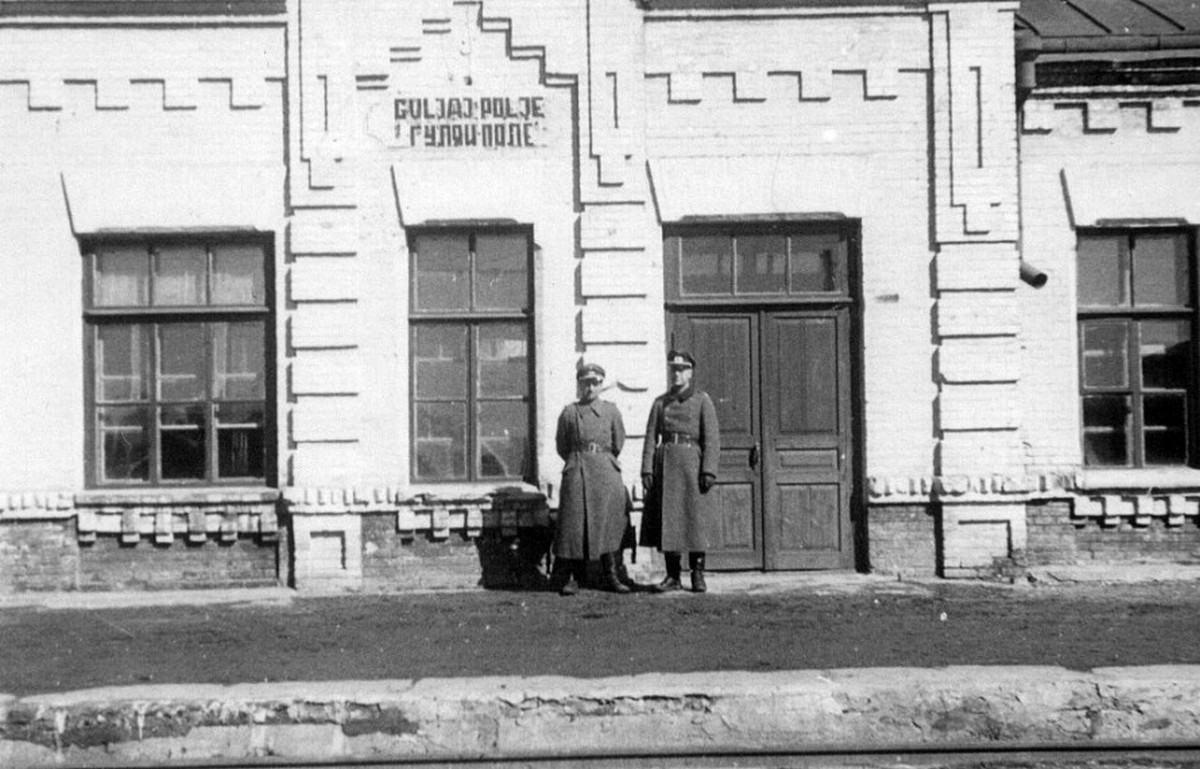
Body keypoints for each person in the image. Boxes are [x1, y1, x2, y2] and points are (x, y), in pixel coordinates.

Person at [640, 350, 720, 593]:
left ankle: (697, 574)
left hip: (692, 466)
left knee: (695, 520)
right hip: (666, 466)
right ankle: (673, 575)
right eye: (673, 369)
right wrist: (646, 469)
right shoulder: (660, 403)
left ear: (690, 372)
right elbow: (650, 437)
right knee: (668, 521)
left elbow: (712, 438)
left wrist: (708, 470)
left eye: (682, 369)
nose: (677, 374)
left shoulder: (701, 401)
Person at [551, 363, 631, 596]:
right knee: (576, 524)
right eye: (585, 383)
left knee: (608, 523)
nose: (590, 388)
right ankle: (575, 578)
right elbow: (562, 446)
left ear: (601, 384)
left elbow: (618, 442)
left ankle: (612, 575)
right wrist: (579, 459)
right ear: (579, 384)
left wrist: (601, 458)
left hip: (605, 472)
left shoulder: (611, 411)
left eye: (595, 383)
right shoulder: (569, 413)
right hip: (577, 470)